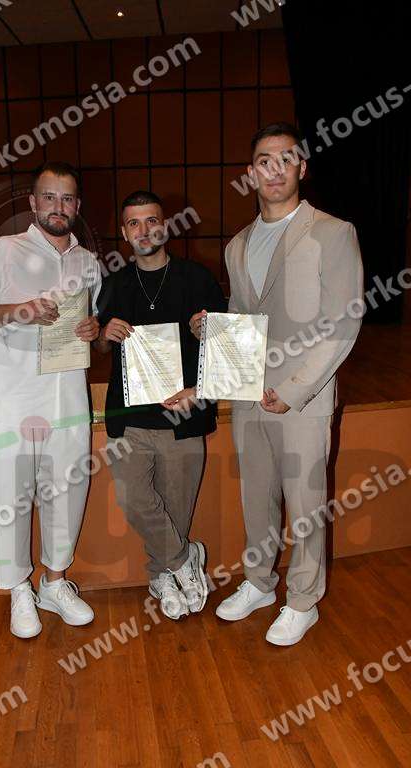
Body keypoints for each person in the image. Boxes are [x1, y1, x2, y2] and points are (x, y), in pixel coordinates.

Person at [208, 123, 364, 645]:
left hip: (302, 398)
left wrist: (295, 389)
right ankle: (258, 582)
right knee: (256, 498)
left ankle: (303, 600)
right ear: (250, 173)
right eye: (263, 160)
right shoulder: (237, 245)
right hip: (249, 395)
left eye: (285, 158)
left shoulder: (332, 233)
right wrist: (213, 334)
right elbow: (242, 316)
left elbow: (343, 323)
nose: (274, 169)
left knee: (305, 505)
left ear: (302, 167)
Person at [0, 161, 101, 639]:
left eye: (67, 198)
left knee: (69, 490)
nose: (59, 206)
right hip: (14, 400)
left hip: (69, 398)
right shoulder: (4, 251)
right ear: (33, 202)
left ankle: (55, 583)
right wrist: (18, 310)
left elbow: (93, 320)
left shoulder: (87, 262)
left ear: (77, 206)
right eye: (49, 197)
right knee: (11, 498)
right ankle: (19, 589)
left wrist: (93, 328)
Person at [95, 191, 227, 619]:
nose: (144, 230)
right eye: (134, 223)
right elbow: (97, 345)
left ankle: (161, 574)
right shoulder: (113, 284)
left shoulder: (197, 278)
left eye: (151, 220)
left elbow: (226, 346)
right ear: (124, 232)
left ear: (165, 225)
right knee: (134, 500)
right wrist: (104, 335)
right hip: (128, 417)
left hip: (182, 416)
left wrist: (204, 333)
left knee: (176, 509)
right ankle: (185, 559)